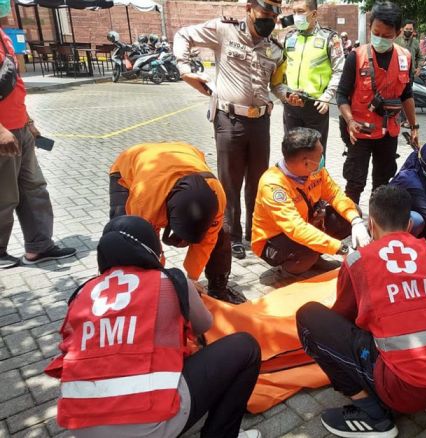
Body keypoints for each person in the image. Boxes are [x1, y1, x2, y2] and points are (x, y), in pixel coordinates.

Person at [44, 215, 262, 438]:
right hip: (149, 428)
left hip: (83, 428)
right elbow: (204, 325)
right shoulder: (171, 282)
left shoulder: (82, 293)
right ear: (153, 251)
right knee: (246, 347)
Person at [296, 185, 426, 438]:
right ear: (410, 224)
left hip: (400, 389)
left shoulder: (358, 261)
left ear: (371, 224)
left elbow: (343, 320)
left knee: (309, 316)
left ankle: (374, 416)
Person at [173, 0, 294, 261]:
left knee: (258, 181)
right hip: (230, 120)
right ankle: (232, 235)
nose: (270, 21)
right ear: (249, 8)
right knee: (230, 182)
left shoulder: (274, 48)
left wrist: (288, 95)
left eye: (275, 16)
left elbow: (276, 85)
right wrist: (185, 68)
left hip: (260, 121)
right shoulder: (223, 30)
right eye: (265, 13)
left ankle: (255, 230)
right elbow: (183, 35)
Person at [109, 142, 246, 304]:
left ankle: (218, 289)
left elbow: (208, 241)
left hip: (182, 155)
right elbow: (149, 248)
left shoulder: (217, 194)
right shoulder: (145, 202)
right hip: (131, 165)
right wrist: (161, 283)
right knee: (124, 236)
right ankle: (133, 293)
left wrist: (192, 279)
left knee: (220, 234)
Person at [0, 25, 76, 269]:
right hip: (3, 133)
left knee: (34, 188)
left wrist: (28, 121)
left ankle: (40, 247)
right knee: (4, 196)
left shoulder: (3, 35)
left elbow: (12, 84)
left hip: (19, 128)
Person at [252, 128, 370, 274]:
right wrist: (342, 249)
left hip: (307, 223)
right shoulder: (273, 185)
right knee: (306, 252)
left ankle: (314, 258)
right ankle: (296, 266)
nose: (322, 158)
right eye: (320, 155)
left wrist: (356, 221)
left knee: (352, 212)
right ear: (306, 163)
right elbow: (296, 228)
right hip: (275, 240)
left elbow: (335, 195)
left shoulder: (315, 171)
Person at [337, 1, 419, 204]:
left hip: (389, 132)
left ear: (398, 33)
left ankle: (376, 227)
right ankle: (350, 225)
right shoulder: (356, 56)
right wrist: (350, 121)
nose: (380, 39)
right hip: (360, 131)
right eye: (376, 33)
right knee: (355, 183)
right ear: (370, 26)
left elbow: (407, 94)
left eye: (386, 36)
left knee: (383, 183)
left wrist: (415, 127)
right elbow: (341, 95)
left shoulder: (405, 58)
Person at [283, 0, 345, 153]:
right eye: (294, 12)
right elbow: (281, 69)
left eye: (301, 11)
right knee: (292, 154)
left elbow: (339, 70)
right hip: (291, 105)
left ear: (314, 13)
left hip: (316, 106)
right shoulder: (290, 37)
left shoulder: (330, 38)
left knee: (314, 156)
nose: (296, 16)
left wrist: (327, 96)